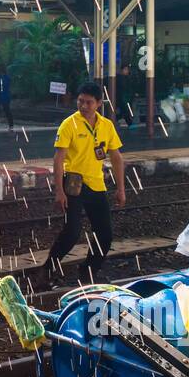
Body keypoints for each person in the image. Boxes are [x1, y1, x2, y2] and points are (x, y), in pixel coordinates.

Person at [46, 82, 126, 278]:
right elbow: (59, 158)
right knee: (72, 233)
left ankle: (88, 270)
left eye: (89, 102)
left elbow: (116, 157)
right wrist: (59, 191)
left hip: (96, 184)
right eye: (80, 101)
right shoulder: (69, 124)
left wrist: (121, 188)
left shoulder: (107, 126)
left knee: (105, 235)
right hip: (73, 184)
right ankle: (47, 269)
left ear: (99, 103)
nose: (83, 106)